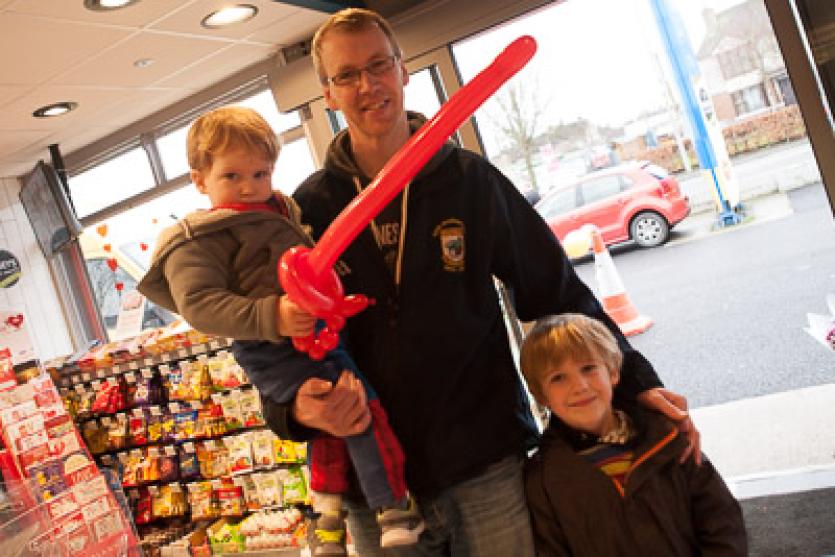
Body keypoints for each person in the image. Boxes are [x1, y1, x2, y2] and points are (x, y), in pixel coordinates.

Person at [269, 8, 699, 556]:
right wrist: (294, 412)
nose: (368, 84)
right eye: (347, 75)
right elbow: (274, 345)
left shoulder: (470, 182)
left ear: (403, 70)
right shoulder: (308, 211)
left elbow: (558, 291)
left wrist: (638, 384)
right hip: (372, 488)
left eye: (379, 65)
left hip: (484, 464)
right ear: (328, 93)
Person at [137, 106, 424, 556]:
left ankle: (327, 517)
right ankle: (392, 511)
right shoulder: (197, 238)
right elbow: (200, 306)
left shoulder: (284, 208)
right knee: (361, 409)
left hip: (314, 336)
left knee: (333, 422)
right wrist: (274, 315)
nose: (250, 187)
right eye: (232, 176)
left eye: (260, 173)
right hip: (274, 347)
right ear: (199, 179)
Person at [520, 314, 747, 556]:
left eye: (588, 368)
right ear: (541, 397)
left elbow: (721, 520)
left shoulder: (667, 438)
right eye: (558, 378)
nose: (580, 386)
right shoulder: (543, 480)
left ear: (613, 373)